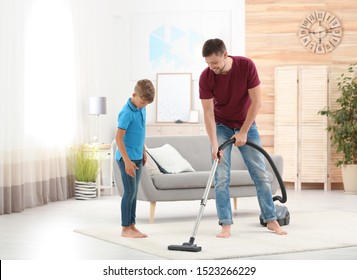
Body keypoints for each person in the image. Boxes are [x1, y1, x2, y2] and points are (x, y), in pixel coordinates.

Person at [199, 38, 287, 237]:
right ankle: (225, 224)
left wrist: (244, 131)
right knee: (221, 177)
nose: (211, 67)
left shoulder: (246, 66)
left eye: (214, 63)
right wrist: (214, 144)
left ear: (225, 54)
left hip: (246, 124)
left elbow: (256, 102)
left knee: (260, 173)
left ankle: (271, 219)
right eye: (207, 64)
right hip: (222, 126)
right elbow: (207, 113)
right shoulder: (206, 77)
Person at [115, 79, 155, 238]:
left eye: (146, 104)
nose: (143, 105)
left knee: (134, 192)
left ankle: (132, 225)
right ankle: (125, 228)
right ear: (134, 94)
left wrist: (143, 151)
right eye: (142, 102)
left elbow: (140, 133)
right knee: (129, 191)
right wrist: (127, 161)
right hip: (126, 159)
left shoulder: (141, 109)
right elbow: (118, 139)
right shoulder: (127, 112)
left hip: (137, 156)